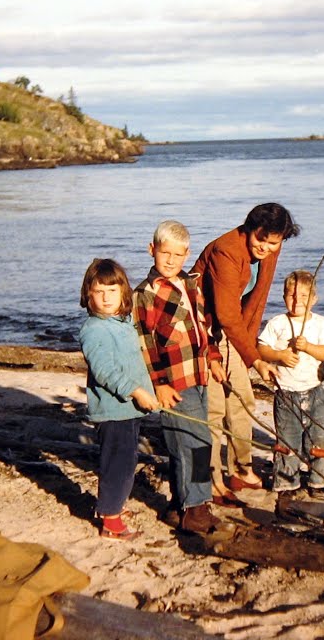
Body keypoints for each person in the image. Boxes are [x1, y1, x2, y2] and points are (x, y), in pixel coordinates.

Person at [191, 203, 301, 496]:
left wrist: (246, 350)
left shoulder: (271, 249)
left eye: (273, 242)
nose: (265, 247)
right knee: (213, 409)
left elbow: (257, 301)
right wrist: (256, 359)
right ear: (250, 228)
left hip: (234, 333)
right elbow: (225, 314)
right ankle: (210, 480)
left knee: (242, 402)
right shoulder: (226, 251)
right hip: (203, 331)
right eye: (259, 239)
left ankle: (241, 469)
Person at [133, 220, 225, 534]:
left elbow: (204, 328)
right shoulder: (145, 294)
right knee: (195, 442)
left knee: (189, 442)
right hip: (173, 382)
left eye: (178, 254)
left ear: (187, 254)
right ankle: (196, 510)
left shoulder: (191, 285)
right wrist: (158, 383)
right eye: (164, 253)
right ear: (151, 250)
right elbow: (144, 344)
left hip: (198, 374)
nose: (171, 260)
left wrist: (213, 358)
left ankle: (179, 505)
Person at [77, 258, 161, 541]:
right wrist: (137, 391)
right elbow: (105, 371)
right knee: (117, 463)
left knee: (128, 460)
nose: (106, 298)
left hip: (130, 409)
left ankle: (114, 506)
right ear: (88, 294)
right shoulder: (93, 329)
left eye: (112, 291)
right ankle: (110, 519)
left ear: (123, 293)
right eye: (99, 292)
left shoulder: (123, 320)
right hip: (114, 411)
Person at [256, 270, 324, 499]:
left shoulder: (321, 324)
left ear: (314, 299)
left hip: (316, 391)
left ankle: (318, 481)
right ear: (283, 297)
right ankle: (286, 482)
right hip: (286, 394)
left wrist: (309, 347)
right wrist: (280, 355)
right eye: (291, 295)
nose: (297, 300)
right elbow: (262, 348)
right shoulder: (277, 323)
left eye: (303, 295)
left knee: (318, 438)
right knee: (287, 440)